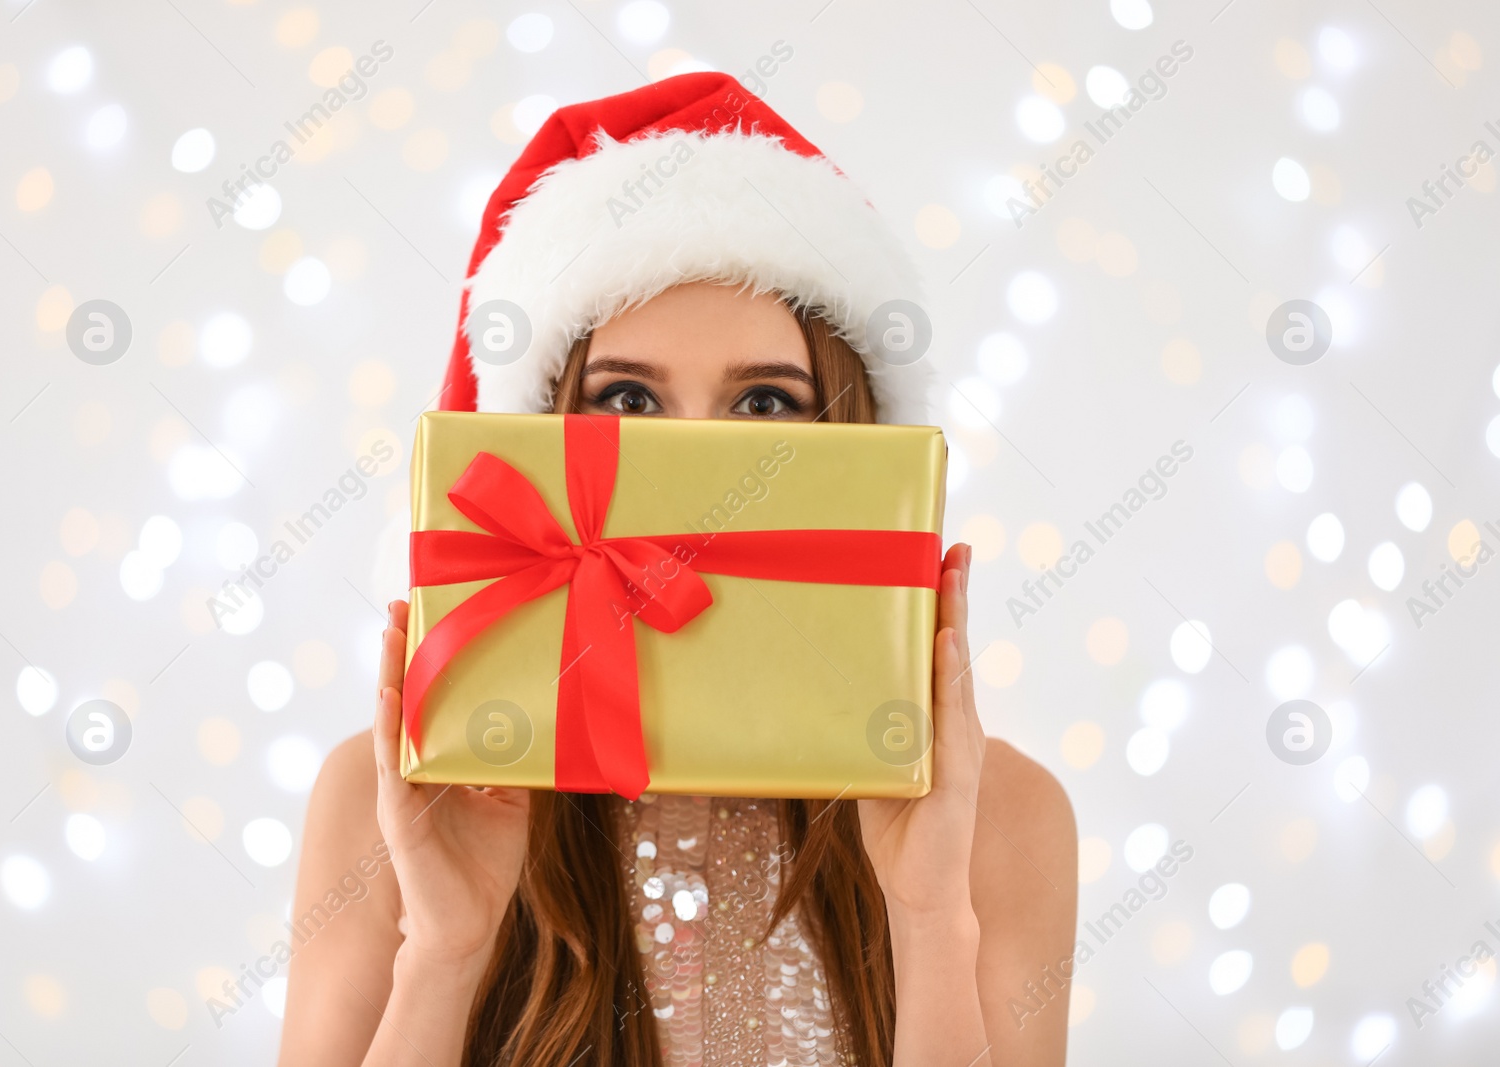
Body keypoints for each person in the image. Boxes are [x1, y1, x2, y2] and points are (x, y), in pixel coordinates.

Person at [282, 74, 1076, 1066]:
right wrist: (443, 951)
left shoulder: (1003, 818)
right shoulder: (395, 798)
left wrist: (928, 920)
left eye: (763, 406)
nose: (697, 479)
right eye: (625, 399)